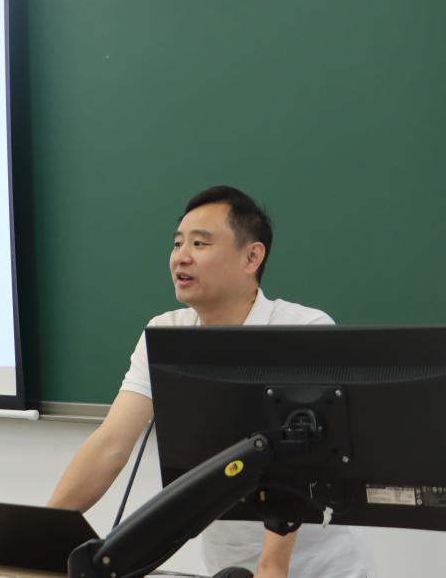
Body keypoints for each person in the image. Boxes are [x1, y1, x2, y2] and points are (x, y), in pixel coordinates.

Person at [47, 185, 372, 578]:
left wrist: (272, 566)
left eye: (200, 243)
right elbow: (111, 444)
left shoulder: (302, 329)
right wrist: (41, 536)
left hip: (317, 569)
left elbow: (304, 465)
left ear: (251, 257)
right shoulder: (166, 334)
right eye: (177, 243)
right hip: (225, 567)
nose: (181, 256)